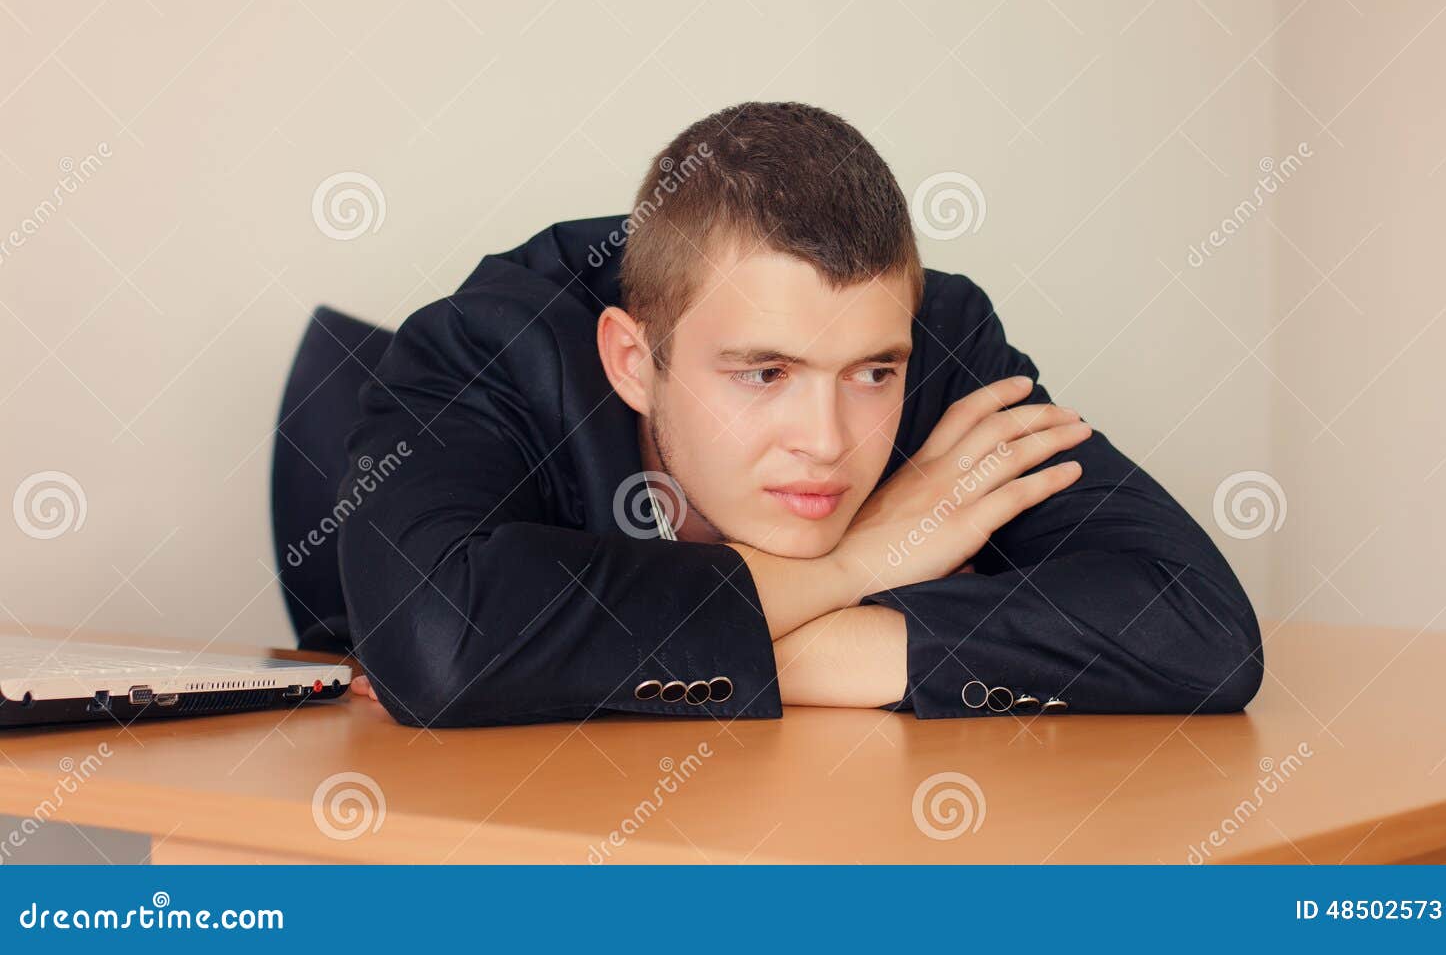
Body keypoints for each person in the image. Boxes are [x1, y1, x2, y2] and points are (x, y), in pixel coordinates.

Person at [338, 102, 1263, 725]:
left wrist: (770, 648)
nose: (826, 442)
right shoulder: (497, 342)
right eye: (762, 373)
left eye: (870, 375)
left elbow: (1200, 633)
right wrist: (863, 561)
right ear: (633, 359)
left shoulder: (935, 336)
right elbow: (439, 643)